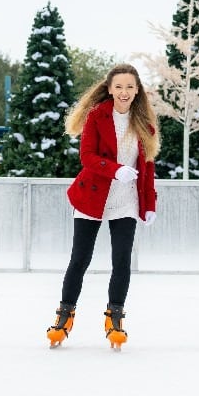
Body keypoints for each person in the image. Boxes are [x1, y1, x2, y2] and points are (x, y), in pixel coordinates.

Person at [46, 63, 158, 351]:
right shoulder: (97, 116)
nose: (124, 92)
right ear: (109, 89)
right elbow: (87, 157)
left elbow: (147, 167)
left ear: (137, 90)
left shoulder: (143, 123)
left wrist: (149, 203)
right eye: (119, 86)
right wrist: (116, 169)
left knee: (121, 260)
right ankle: (64, 316)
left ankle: (115, 317)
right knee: (80, 259)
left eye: (130, 87)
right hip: (92, 198)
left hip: (126, 201)